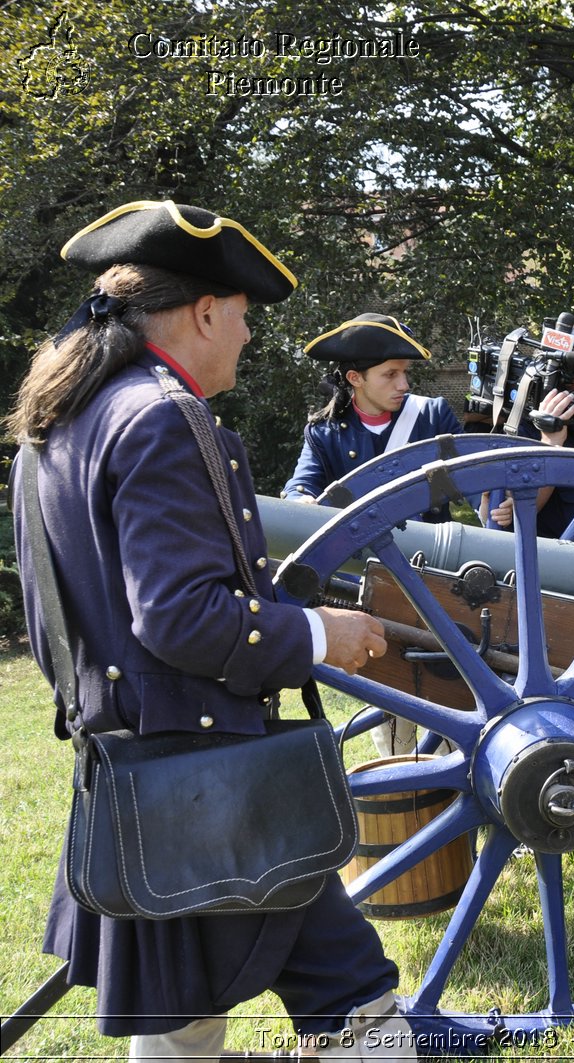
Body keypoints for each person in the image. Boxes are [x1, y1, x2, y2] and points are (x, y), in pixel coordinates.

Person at [6, 200, 413, 1060]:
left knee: (180, 1023)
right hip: (212, 781)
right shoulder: (160, 415)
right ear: (202, 312)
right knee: (357, 997)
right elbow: (180, 615)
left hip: (129, 773)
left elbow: (52, 629)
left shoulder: (58, 421)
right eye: (242, 315)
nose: (248, 337)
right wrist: (317, 634)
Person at [281, 312, 463, 512]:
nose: (404, 385)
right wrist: (299, 499)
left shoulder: (433, 415)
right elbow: (301, 485)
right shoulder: (324, 434)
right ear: (355, 378)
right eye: (390, 374)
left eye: (405, 372)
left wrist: (493, 505)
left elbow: (479, 472)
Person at [482, 370, 574, 548]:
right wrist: (551, 444)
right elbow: (499, 515)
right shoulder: (523, 434)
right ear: (566, 379)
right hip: (555, 565)